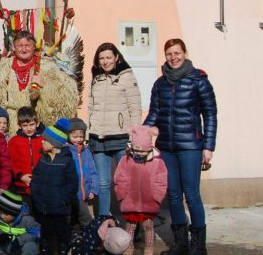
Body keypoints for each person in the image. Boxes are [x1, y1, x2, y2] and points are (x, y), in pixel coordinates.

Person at [144, 39, 217, 255]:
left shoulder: (199, 80)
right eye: (169, 54)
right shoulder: (160, 84)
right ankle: (181, 245)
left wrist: (208, 146)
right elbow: (155, 113)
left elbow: (210, 113)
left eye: (177, 53)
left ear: (185, 53)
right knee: (174, 195)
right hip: (166, 146)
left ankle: (198, 247)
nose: (173, 57)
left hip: (191, 147)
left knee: (192, 194)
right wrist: (142, 134)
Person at [87, 42, 143, 217]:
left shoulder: (127, 77)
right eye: (101, 58)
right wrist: (89, 132)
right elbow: (90, 108)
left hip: (121, 138)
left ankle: (134, 225)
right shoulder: (96, 79)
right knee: (103, 183)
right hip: (99, 138)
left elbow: (135, 109)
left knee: (127, 182)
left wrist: (135, 138)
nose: (105, 61)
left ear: (116, 57)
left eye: (108, 57)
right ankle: (103, 223)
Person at [0, 30, 78, 127]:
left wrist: (43, 90)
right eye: (20, 46)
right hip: (12, 123)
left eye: (27, 45)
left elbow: (63, 97)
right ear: (14, 48)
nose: (24, 49)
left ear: (33, 47)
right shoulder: (5, 66)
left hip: (34, 124)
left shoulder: (46, 67)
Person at [114, 125, 168, 255]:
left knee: (148, 226)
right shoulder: (125, 160)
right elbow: (120, 178)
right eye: (136, 151)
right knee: (130, 226)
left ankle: (149, 247)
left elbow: (161, 181)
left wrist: (157, 197)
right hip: (130, 201)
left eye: (143, 151)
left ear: (149, 149)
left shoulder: (157, 162)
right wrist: (122, 195)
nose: (139, 154)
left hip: (149, 201)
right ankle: (128, 246)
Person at [30, 117, 77, 255]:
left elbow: (72, 184)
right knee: (46, 234)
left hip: (59, 209)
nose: (42, 142)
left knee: (62, 233)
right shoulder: (43, 159)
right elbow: (36, 180)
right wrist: (36, 197)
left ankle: (64, 249)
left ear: (54, 143)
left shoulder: (67, 161)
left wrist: (63, 200)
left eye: (45, 140)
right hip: (43, 208)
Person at [67, 118, 98, 229]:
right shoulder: (66, 151)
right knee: (71, 219)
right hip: (72, 194)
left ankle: (87, 237)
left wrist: (94, 189)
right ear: (68, 135)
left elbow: (93, 172)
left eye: (81, 136)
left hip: (84, 193)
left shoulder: (87, 152)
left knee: (84, 219)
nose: (78, 139)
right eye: (75, 137)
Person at [0, 190, 40, 255]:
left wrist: (19, 240)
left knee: (30, 245)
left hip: (20, 246)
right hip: (6, 245)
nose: (2, 216)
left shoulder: (26, 219)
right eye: (0, 212)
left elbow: (36, 233)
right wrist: (1, 235)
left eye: (6, 214)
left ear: (15, 213)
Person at [8, 106, 44, 199]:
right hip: (21, 187)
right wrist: (21, 176)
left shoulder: (43, 140)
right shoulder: (14, 141)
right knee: (25, 211)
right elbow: (10, 162)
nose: (29, 128)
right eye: (25, 125)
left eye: (32, 124)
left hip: (41, 185)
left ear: (37, 123)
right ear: (19, 126)